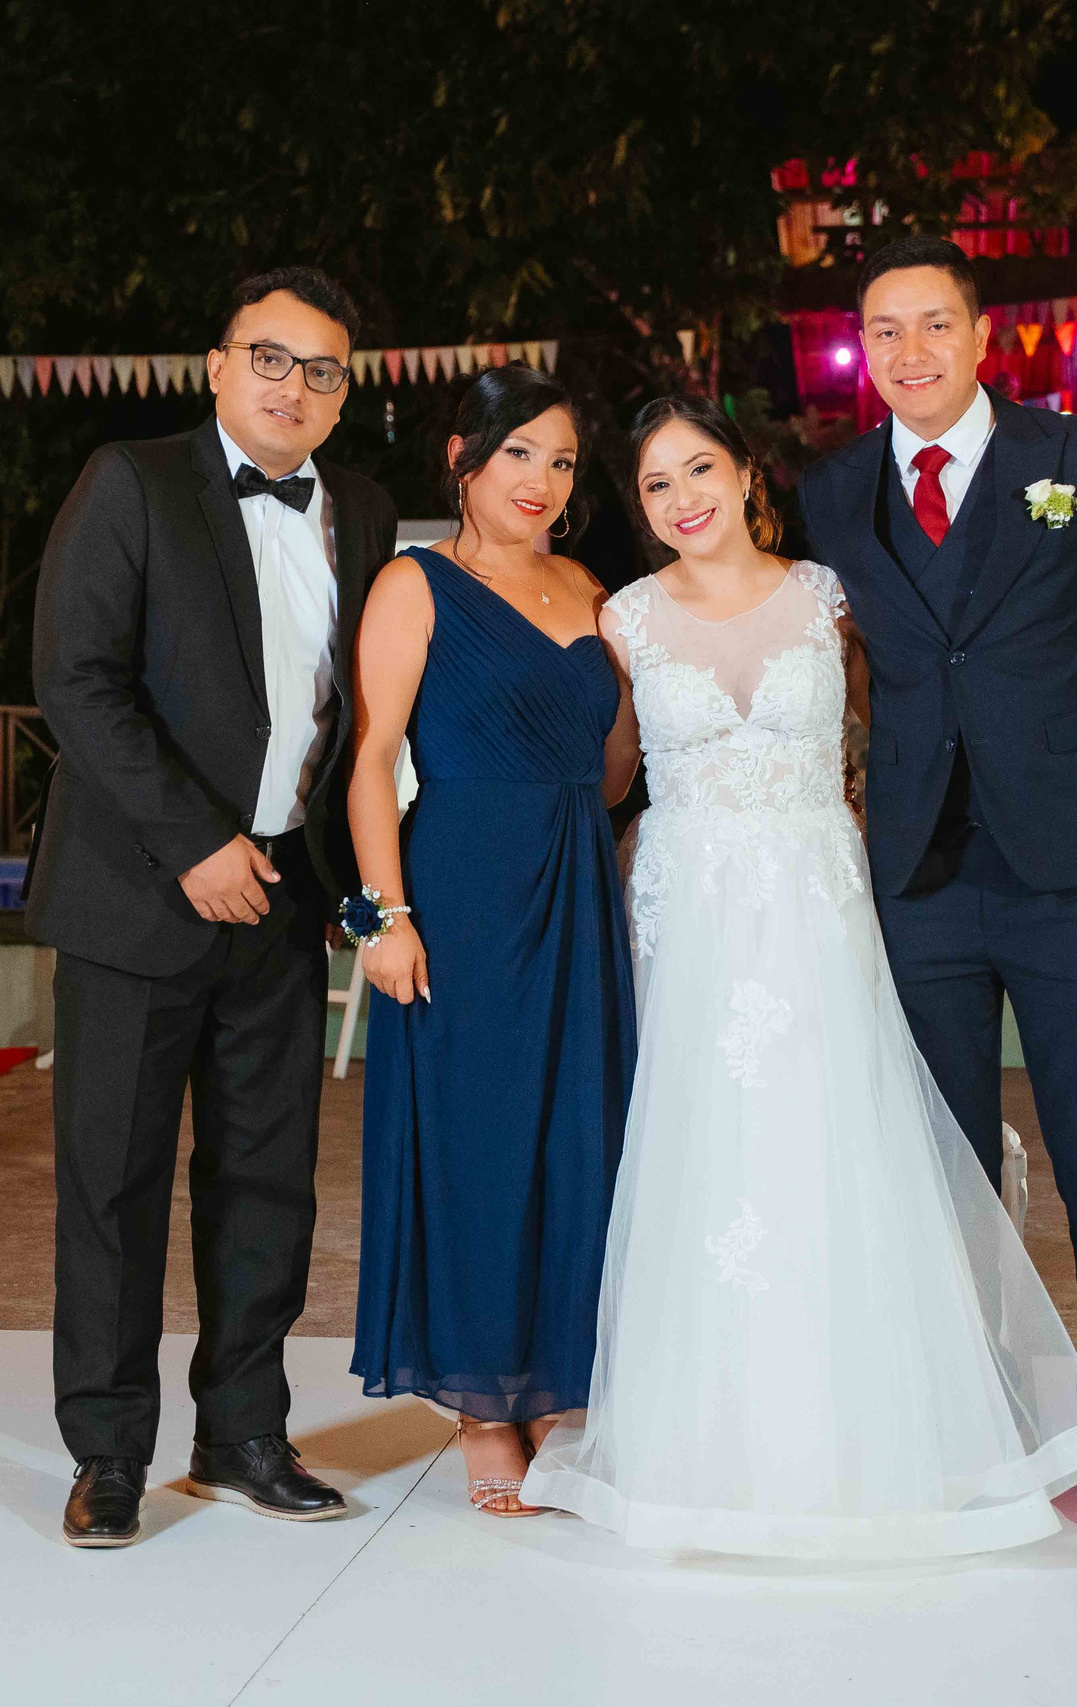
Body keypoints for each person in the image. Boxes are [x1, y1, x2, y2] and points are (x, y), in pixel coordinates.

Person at [518, 395, 1077, 1558]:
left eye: (699, 469)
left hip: (821, 905)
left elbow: (924, 718)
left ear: (748, 476)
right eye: (654, 485)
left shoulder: (832, 595)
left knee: (836, 1142)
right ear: (637, 510)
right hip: (688, 914)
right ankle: (703, 1440)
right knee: (706, 1152)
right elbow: (604, 775)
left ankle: (875, 1430)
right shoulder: (624, 618)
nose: (681, 498)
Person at [796, 236, 1077, 1535]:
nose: (910, 351)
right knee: (944, 1163)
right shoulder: (832, 491)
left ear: (980, 337)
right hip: (919, 874)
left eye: (933, 325)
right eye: (885, 331)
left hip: (1072, 869)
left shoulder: (1076, 461)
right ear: (860, 350)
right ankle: (971, 1413)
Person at [27, 267, 397, 1546]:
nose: (294, 387)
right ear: (217, 362)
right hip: (140, 898)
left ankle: (243, 1433)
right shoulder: (129, 481)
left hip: (286, 904)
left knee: (267, 1183)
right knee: (114, 1184)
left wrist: (358, 891)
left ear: (345, 397)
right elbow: (74, 680)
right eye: (271, 359)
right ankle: (108, 1451)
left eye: (322, 370)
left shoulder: (357, 505)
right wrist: (193, 842)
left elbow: (359, 712)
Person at [346, 367, 636, 1518]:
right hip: (459, 888)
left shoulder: (589, 586)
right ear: (464, 458)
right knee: (477, 1141)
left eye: (562, 462)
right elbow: (370, 759)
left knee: (579, 1136)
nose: (542, 480)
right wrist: (385, 915)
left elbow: (616, 764)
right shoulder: (415, 585)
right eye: (520, 453)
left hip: (578, 883)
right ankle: (481, 1405)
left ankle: (556, 1382)